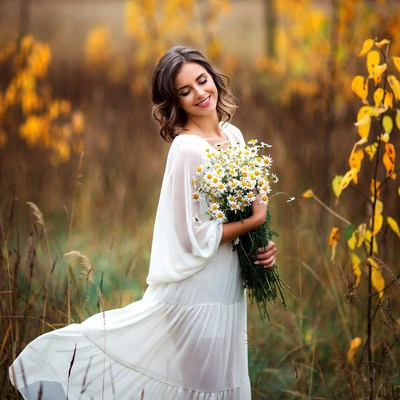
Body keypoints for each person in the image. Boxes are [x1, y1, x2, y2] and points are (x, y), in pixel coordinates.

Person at [9, 46, 277, 400]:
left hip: (228, 284)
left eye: (202, 80)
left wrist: (261, 246)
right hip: (197, 289)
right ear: (175, 102)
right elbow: (193, 237)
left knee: (222, 381)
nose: (199, 93)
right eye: (185, 91)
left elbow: (239, 214)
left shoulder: (235, 136)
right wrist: (255, 219)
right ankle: (55, 367)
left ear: (213, 77)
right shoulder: (188, 150)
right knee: (200, 386)